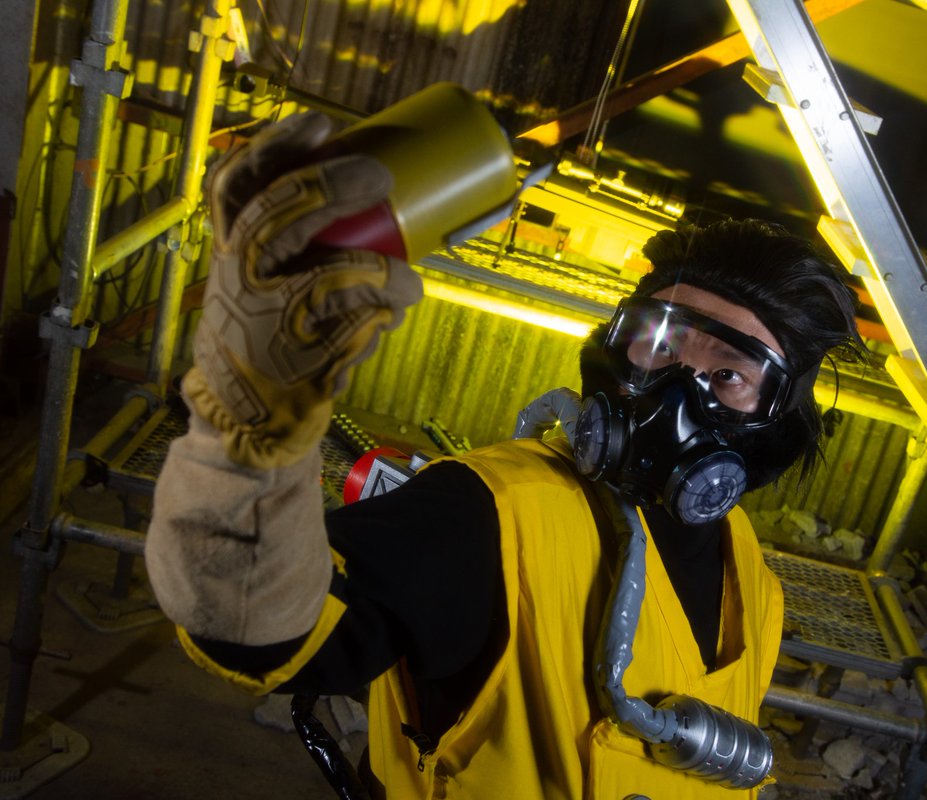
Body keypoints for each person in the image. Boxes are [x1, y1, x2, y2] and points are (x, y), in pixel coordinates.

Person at [145, 110, 864, 799]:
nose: (675, 390)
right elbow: (252, 629)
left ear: (780, 422)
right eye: (661, 342)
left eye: (729, 375)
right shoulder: (492, 513)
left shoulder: (752, 580)